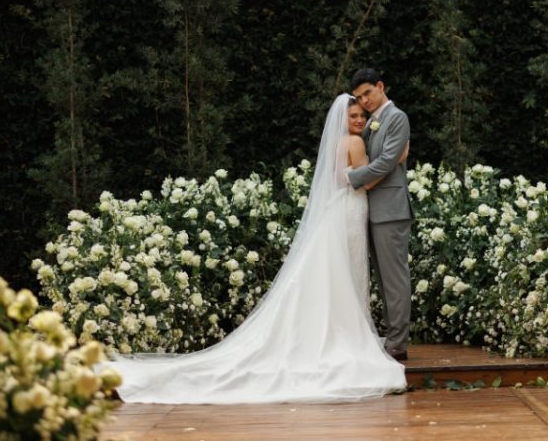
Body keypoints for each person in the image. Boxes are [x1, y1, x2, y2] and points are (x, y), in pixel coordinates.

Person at [110, 94, 407, 404]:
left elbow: (340, 177)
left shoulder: (338, 142)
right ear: (343, 119)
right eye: (354, 115)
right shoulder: (356, 143)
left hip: (338, 209)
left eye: (362, 115)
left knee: (339, 273)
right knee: (350, 271)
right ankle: (347, 332)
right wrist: (395, 157)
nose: (359, 120)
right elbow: (366, 182)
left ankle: (337, 328)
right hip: (350, 210)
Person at [347, 68, 415, 362]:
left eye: (368, 93)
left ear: (380, 86)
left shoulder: (396, 118)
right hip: (372, 210)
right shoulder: (370, 122)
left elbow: (387, 161)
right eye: (360, 97)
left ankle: (398, 343)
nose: (364, 101)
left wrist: (350, 178)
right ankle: (391, 336)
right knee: (382, 279)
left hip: (391, 210)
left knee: (394, 279)